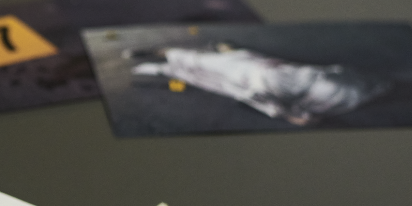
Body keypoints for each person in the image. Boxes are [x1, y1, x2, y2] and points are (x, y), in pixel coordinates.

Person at [129, 43, 387, 125]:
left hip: (253, 83)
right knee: (199, 62)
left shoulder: (338, 97)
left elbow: (291, 111)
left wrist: (290, 116)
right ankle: (156, 58)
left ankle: (160, 67)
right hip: (252, 69)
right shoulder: (335, 80)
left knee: (201, 75)